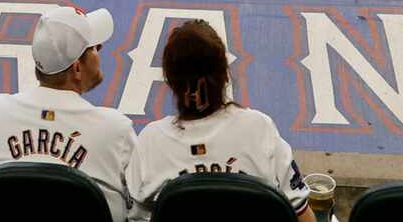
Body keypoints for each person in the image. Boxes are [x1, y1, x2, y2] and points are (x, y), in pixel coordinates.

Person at [128, 21, 310, 219]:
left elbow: (135, 217)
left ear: (170, 80)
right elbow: (301, 213)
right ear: (225, 74)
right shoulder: (260, 129)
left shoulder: (150, 142)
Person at [0, 8, 134, 221]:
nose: (100, 51)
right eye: (94, 48)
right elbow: (141, 205)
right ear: (76, 68)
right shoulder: (116, 129)